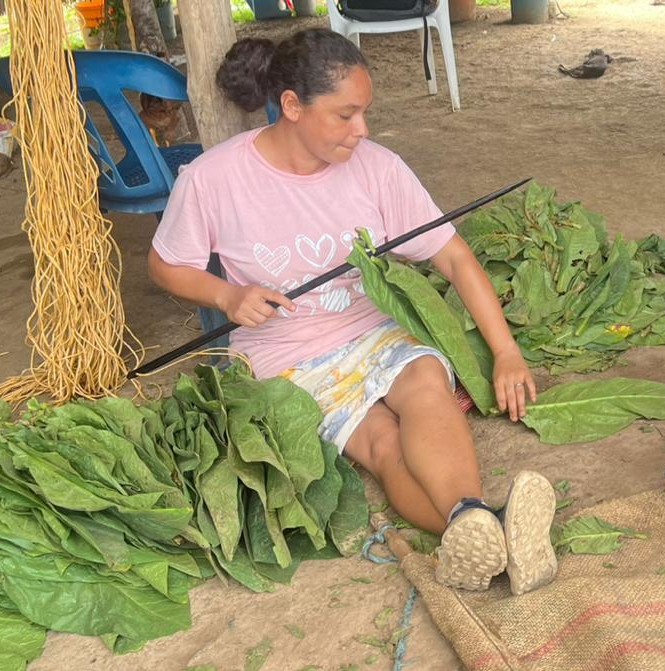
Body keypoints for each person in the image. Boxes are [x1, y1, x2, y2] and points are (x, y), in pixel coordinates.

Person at [149, 29, 558, 596]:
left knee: (424, 386)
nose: (361, 130)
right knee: (382, 442)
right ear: (292, 106)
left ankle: (472, 518)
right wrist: (226, 297)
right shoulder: (213, 179)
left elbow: (454, 257)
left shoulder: (377, 168)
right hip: (284, 356)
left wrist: (507, 351)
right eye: (345, 115)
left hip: (372, 330)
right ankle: (490, 532)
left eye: (364, 113)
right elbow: (167, 266)